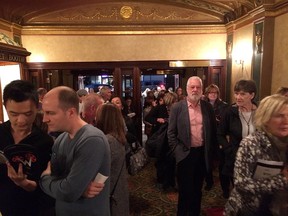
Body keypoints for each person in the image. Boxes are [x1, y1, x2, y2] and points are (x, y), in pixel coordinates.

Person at [39, 86, 111, 216]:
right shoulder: (61, 138)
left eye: (50, 113)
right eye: (44, 113)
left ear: (71, 112)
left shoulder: (92, 139)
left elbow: (68, 192)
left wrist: (44, 179)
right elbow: (64, 184)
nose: (45, 119)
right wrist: (77, 188)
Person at [225, 94, 288, 216]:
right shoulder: (252, 143)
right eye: (279, 116)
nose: (286, 120)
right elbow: (241, 184)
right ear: (266, 118)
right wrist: (282, 180)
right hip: (249, 209)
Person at [0, 80, 55, 216]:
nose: (21, 120)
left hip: (35, 209)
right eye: (13, 114)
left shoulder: (45, 142)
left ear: (37, 107)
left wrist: (25, 184)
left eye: (28, 114)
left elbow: (47, 187)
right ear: (4, 107)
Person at [167, 76, 217, 216]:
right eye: (192, 87)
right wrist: (178, 152)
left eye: (198, 87)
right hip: (185, 154)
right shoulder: (177, 108)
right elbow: (170, 133)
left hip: (202, 154)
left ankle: (195, 212)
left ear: (202, 89)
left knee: (197, 189)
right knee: (184, 190)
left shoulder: (207, 107)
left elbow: (213, 131)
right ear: (187, 89)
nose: (195, 90)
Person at [217, 79, 257, 198]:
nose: (238, 97)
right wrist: (229, 149)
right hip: (236, 158)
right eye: (236, 93)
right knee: (239, 191)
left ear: (252, 95)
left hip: (256, 159)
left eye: (242, 94)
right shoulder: (229, 112)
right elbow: (219, 134)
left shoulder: (261, 111)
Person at [95, 103, 130, 216]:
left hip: (111, 198)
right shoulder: (118, 137)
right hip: (118, 194)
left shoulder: (107, 141)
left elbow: (98, 175)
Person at [145, 91, 178, 191]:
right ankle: (161, 181)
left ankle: (171, 181)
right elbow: (148, 117)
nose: (174, 103)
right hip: (160, 137)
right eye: (173, 101)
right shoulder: (160, 108)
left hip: (172, 138)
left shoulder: (177, 110)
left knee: (172, 161)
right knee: (160, 160)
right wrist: (158, 120)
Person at [203, 84, 229, 191]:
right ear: (207, 94)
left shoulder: (224, 105)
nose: (213, 94)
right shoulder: (203, 105)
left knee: (222, 161)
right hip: (207, 136)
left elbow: (227, 122)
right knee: (207, 160)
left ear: (218, 94)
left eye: (215, 93)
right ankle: (209, 182)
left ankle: (225, 187)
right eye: (210, 92)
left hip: (219, 136)